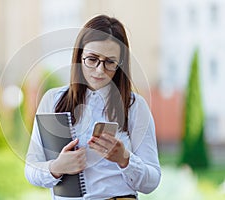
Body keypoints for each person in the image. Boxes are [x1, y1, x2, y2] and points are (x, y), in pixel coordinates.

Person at [25, 15, 161, 200]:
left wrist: (125, 159)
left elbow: (152, 181)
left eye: (110, 62)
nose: (99, 70)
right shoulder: (53, 101)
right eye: (92, 59)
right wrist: (56, 168)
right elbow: (31, 168)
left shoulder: (134, 106)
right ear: (79, 55)